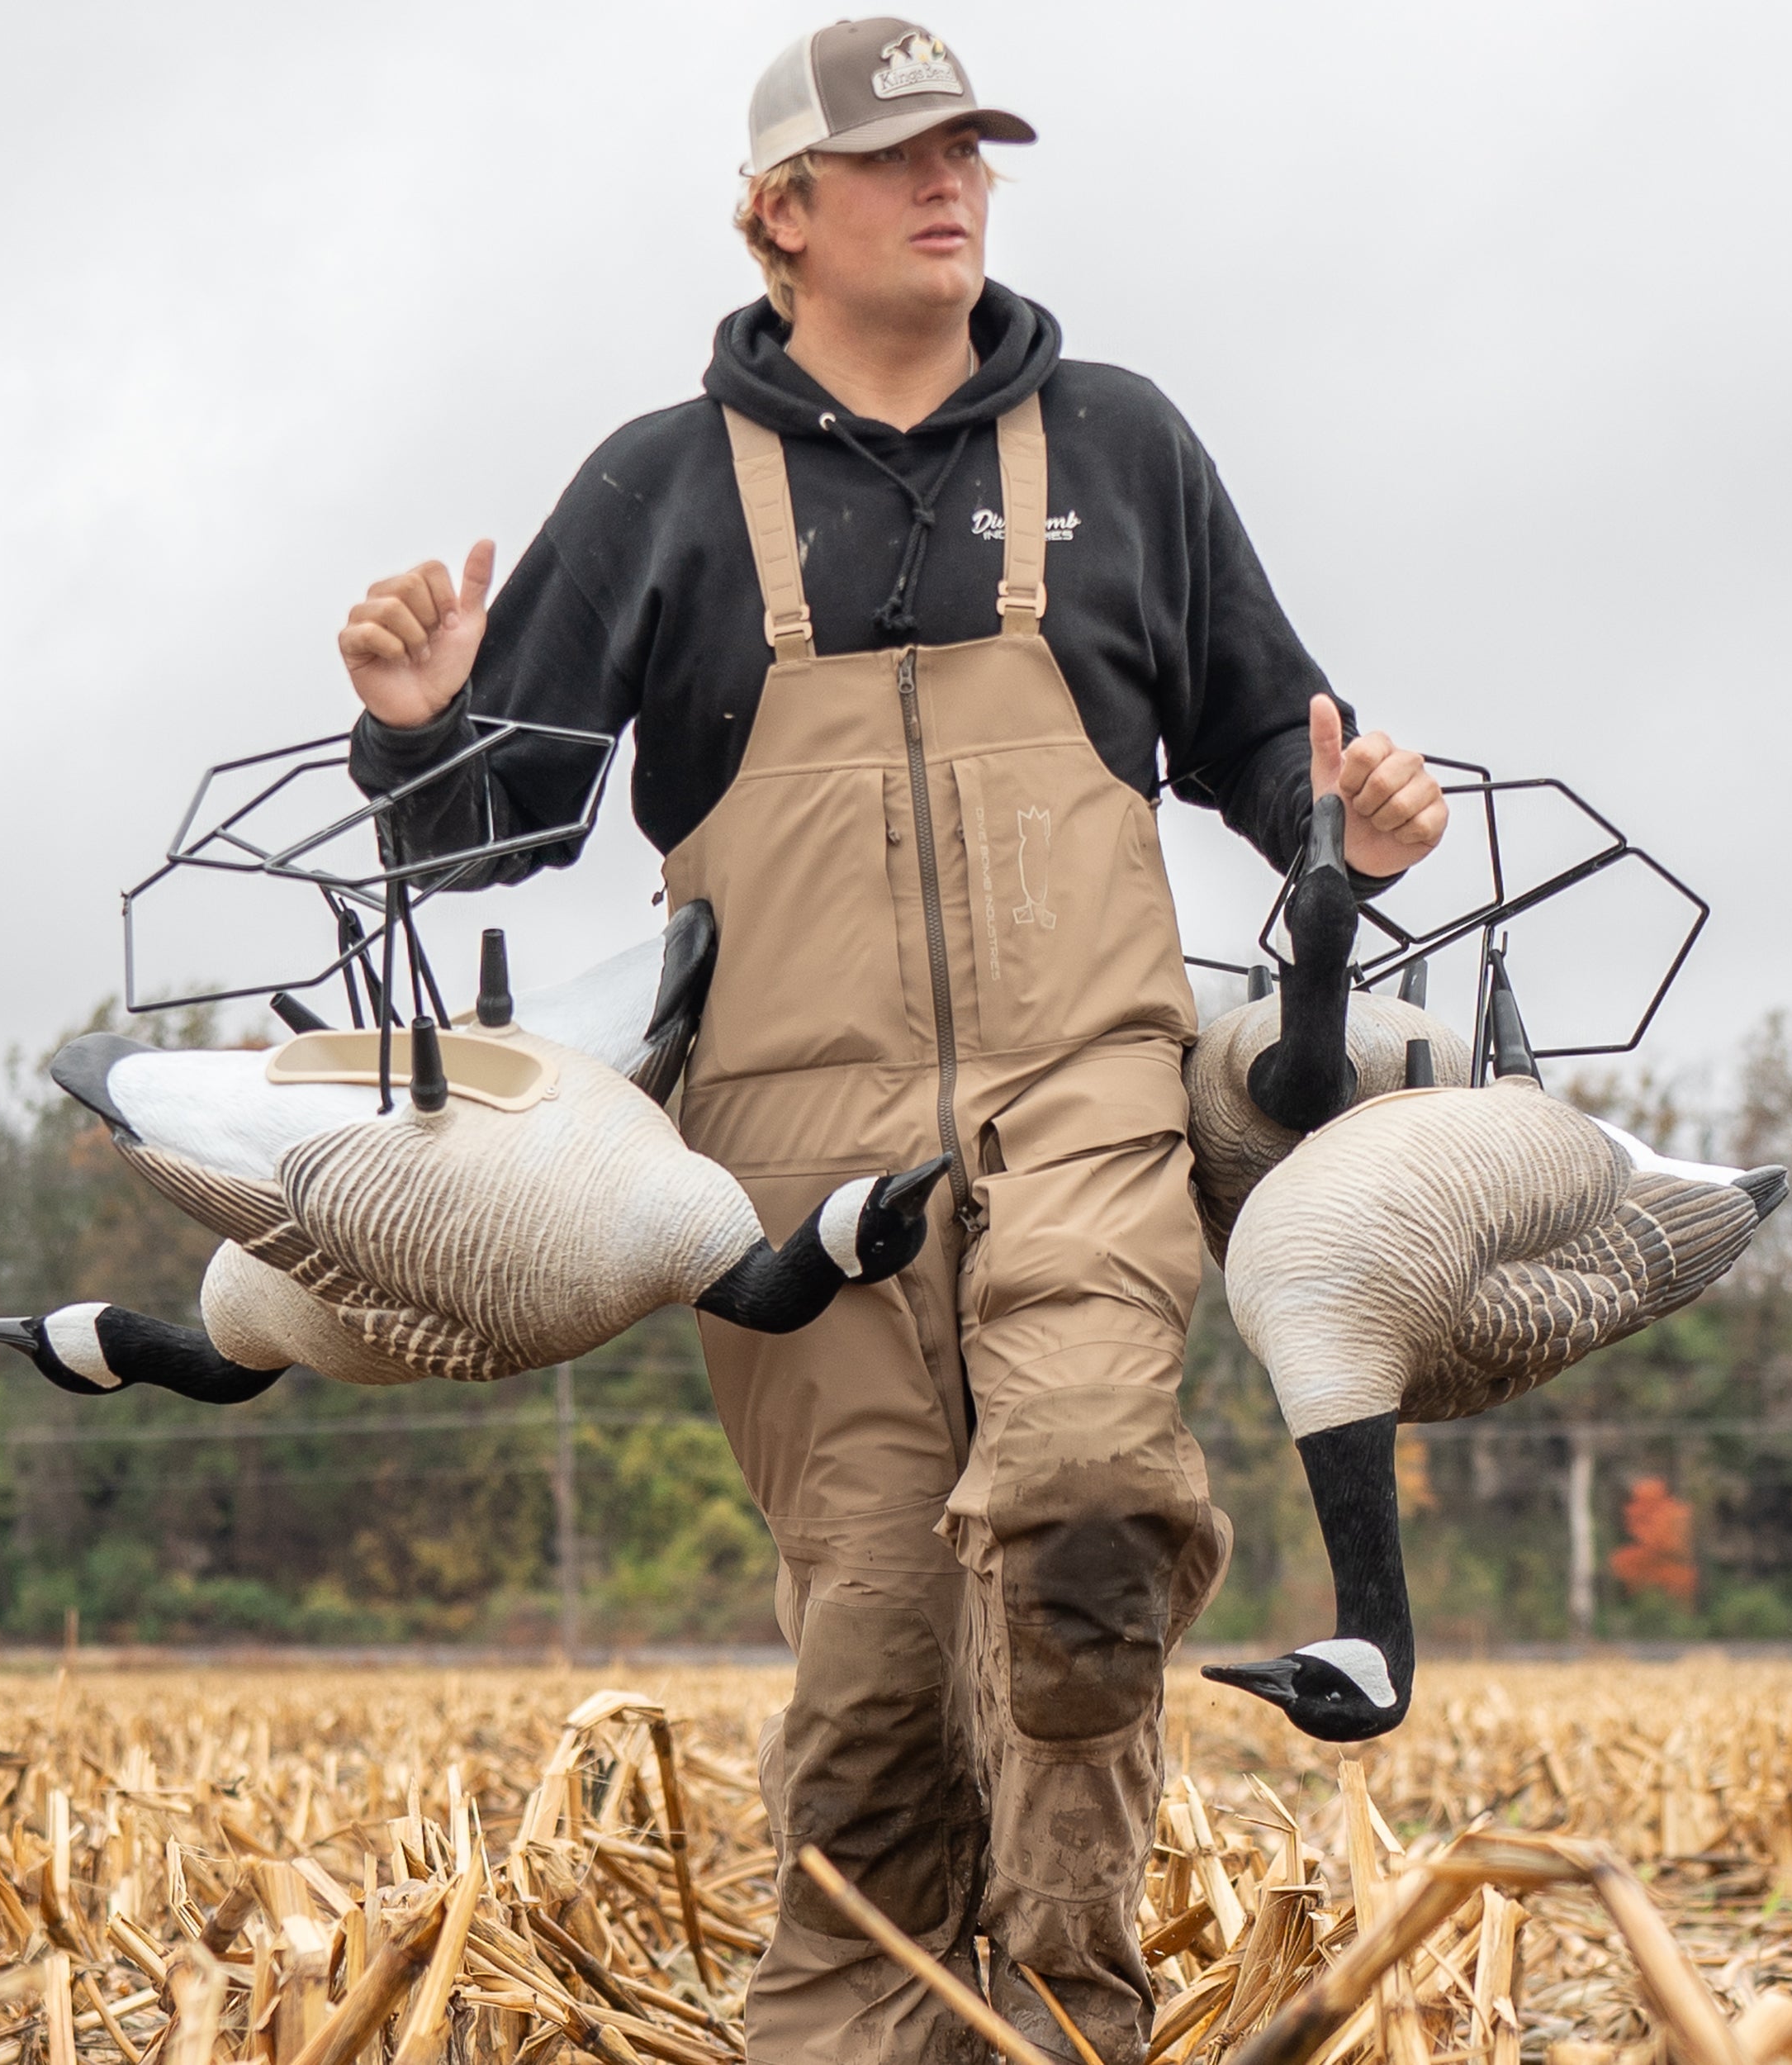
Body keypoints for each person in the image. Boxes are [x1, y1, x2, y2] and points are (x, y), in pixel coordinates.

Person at [339, 19, 1448, 2063]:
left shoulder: (1123, 450)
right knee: (870, 1657)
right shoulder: (656, 490)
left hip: (1089, 1103)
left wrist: (1345, 832)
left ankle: (1065, 2001)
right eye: (896, 156)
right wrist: (414, 722)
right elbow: (489, 831)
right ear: (779, 216)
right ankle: (852, 2024)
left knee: (1094, 1509)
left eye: (970, 150)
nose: (950, 181)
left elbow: (1268, 744)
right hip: (779, 1157)